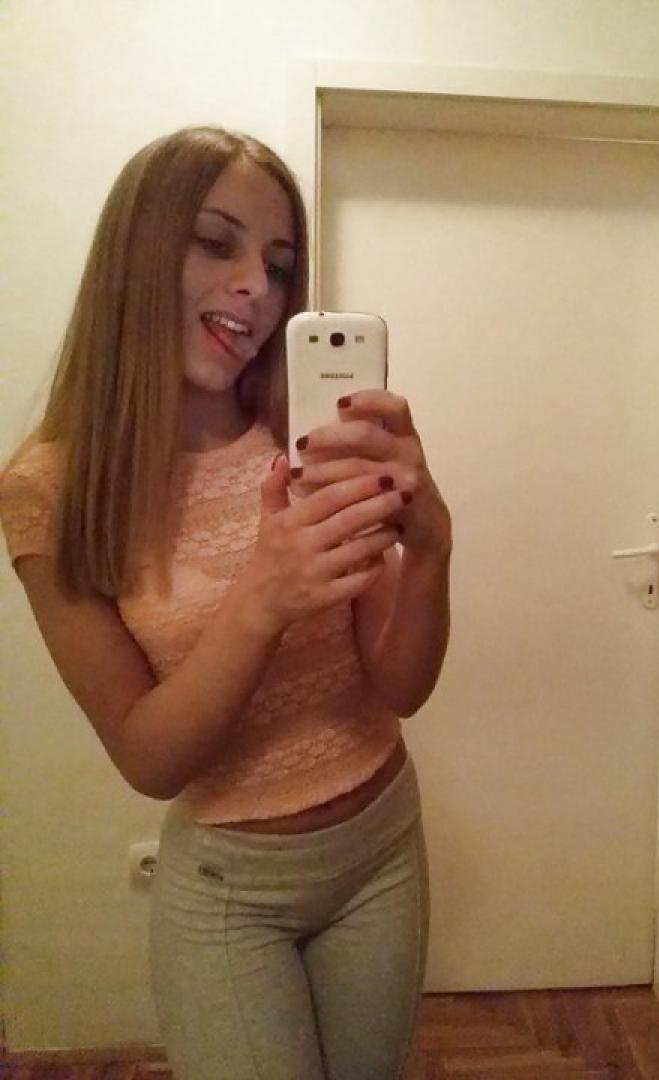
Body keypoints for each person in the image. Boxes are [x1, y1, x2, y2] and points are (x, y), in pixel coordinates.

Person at [0, 126, 452, 1080]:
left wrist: (433, 547)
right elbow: (148, 757)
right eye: (216, 244)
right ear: (137, 254)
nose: (257, 287)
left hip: (382, 849)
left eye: (279, 266)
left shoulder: (307, 434)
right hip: (229, 893)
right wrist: (263, 598)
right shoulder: (51, 491)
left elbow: (401, 687)